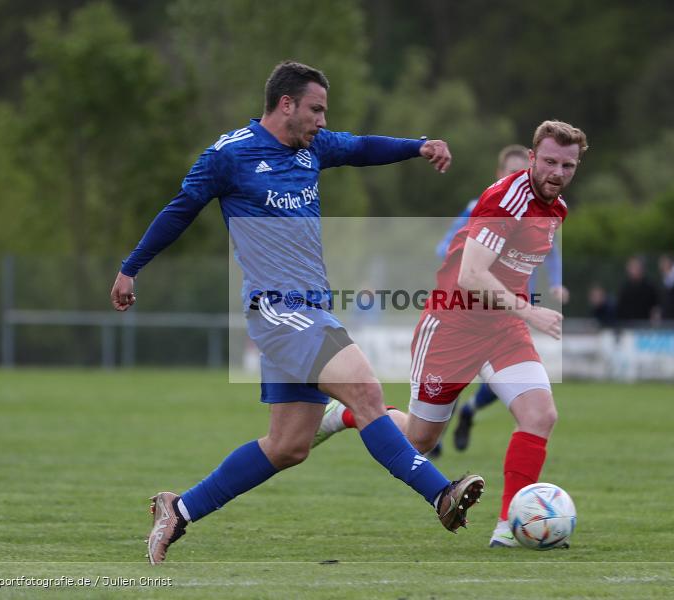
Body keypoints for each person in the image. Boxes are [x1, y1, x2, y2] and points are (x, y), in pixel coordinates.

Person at [110, 61, 484, 565]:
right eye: (316, 109)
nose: (323, 120)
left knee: (287, 446)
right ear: (285, 104)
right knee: (366, 391)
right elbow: (180, 209)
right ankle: (440, 494)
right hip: (279, 310)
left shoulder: (314, 148)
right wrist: (131, 268)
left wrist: (417, 145)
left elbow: (361, 147)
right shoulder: (230, 155)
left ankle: (179, 509)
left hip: (310, 310)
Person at [315, 120, 587, 548]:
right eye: (549, 161)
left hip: (502, 329)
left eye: (567, 165)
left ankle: (509, 529)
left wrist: (519, 313)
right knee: (418, 440)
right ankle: (347, 414)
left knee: (540, 415)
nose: (557, 171)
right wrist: (529, 310)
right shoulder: (505, 200)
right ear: (532, 158)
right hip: (452, 327)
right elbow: (470, 276)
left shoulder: (557, 210)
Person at [438, 145, 570, 454]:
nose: (517, 177)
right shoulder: (481, 206)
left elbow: (552, 253)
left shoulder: (543, 208)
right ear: (499, 174)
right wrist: (468, 259)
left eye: (521, 170)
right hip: (467, 306)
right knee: (452, 379)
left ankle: (469, 411)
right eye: (511, 171)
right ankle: (438, 435)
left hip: (513, 306)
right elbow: (445, 245)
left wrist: (556, 283)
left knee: (512, 379)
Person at [615, 256, 659, 325]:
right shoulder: (624, 288)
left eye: (637, 268)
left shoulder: (650, 287)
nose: (635, 270)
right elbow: (620, 309)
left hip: (646, 325)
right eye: (632, 268)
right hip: (628, 325)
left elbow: (655, 307)